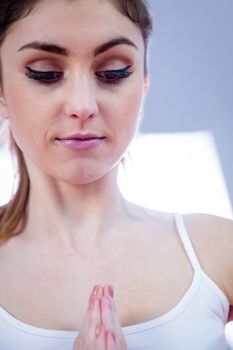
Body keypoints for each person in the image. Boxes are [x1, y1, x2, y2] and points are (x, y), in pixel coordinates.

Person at [0, 0, 232, 349]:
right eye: (45, 73)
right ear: (1, 90)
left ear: (144, 84)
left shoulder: (219, 248)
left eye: (114, 72)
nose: (83, 106)